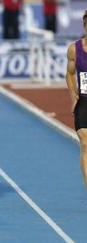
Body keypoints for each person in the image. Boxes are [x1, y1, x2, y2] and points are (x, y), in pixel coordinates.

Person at [65, 10, 87, 190]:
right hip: (84, 101)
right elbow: (70, 73)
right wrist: (74, 95)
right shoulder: (74, 49)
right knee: (85, 142)